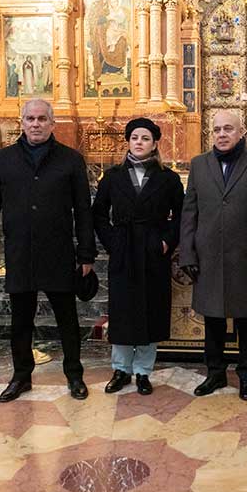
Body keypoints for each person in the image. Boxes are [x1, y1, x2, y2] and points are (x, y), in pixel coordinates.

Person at [0, 99, 96, 403]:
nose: (36, 124)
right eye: (30, 118)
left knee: (67, 319)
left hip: (58, 253)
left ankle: (74, 375)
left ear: (52, 124)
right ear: (22, 122)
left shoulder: (71, 160)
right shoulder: (3, 159)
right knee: (21, 321)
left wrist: (86, 254)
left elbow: (83, 211)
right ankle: (21, 376)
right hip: (20, 253)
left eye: (42, 119)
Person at [179, 110, 247, 401]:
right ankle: (215, 373)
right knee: (212, 321)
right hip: (208, 258)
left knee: (246, 322)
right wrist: (188, 254)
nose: (222, 134)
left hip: (246, 259)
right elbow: (189, 213)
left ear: (241, 132)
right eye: (217, 129)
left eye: (228, 129)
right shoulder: (199, 164)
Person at [93, 118, 184, 395]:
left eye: (145, 138)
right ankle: (121, 369)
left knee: (150, 309)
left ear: (154, 143)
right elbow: (98, 213)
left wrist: (166, 241)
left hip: (152, 249)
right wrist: (113, 241)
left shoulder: (168, 178)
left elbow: (181, 215)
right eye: (134, 138)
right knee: (123, 310)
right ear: (128, 142)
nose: (139, 142)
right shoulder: (112, 176)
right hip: (124, 248)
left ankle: (143, 371)